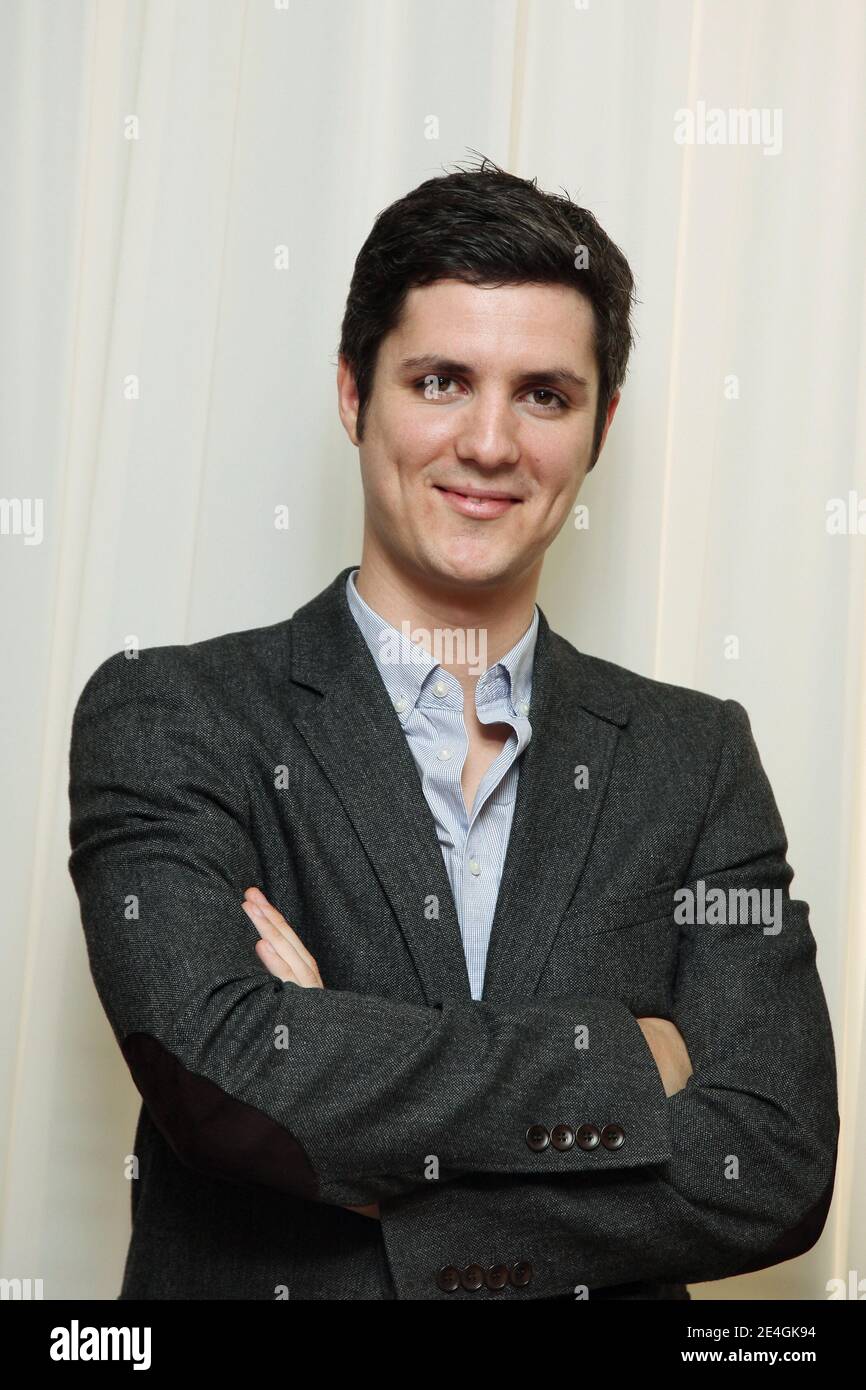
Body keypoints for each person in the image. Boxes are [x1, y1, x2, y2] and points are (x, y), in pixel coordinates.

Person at [68, 155, 838, 1300]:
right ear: (351, 393)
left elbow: (771, 1162)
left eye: (543, 394)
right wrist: (636, 1059)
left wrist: (343, 1077)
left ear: (599, 427)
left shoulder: (695, 758)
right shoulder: (173, 714)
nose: (488, 443)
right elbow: (223, 1081)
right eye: (438, 381)